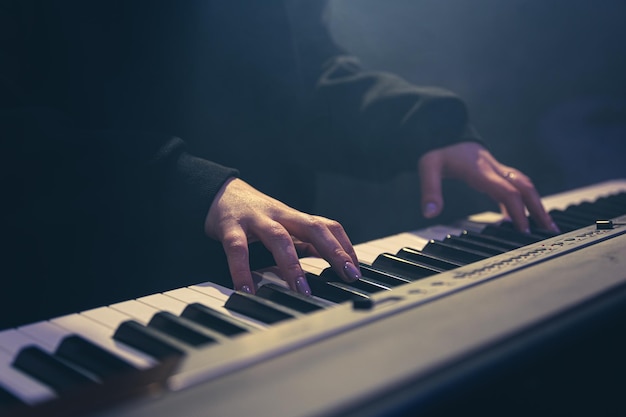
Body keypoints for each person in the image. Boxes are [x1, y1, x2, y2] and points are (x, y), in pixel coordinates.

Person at [0, 0, 557, 329]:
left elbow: (303, 78)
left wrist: (425, 128)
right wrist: (192, 187)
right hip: (80, 295)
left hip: (267, 286)